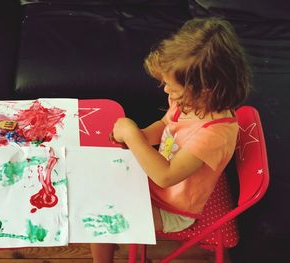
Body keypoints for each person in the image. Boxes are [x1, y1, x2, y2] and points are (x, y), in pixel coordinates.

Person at [91, 16, 252, 262]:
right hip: (160, 181)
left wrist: (133, 136)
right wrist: (143, 136)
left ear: (206, 89)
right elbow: (166, 125)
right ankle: (110, 244)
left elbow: (166, 176)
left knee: (99, 215)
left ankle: (104, 250)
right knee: (97, 180)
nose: (167, 92)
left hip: (175, 209)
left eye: (173, 89)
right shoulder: (190, 102)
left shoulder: (214, 134)